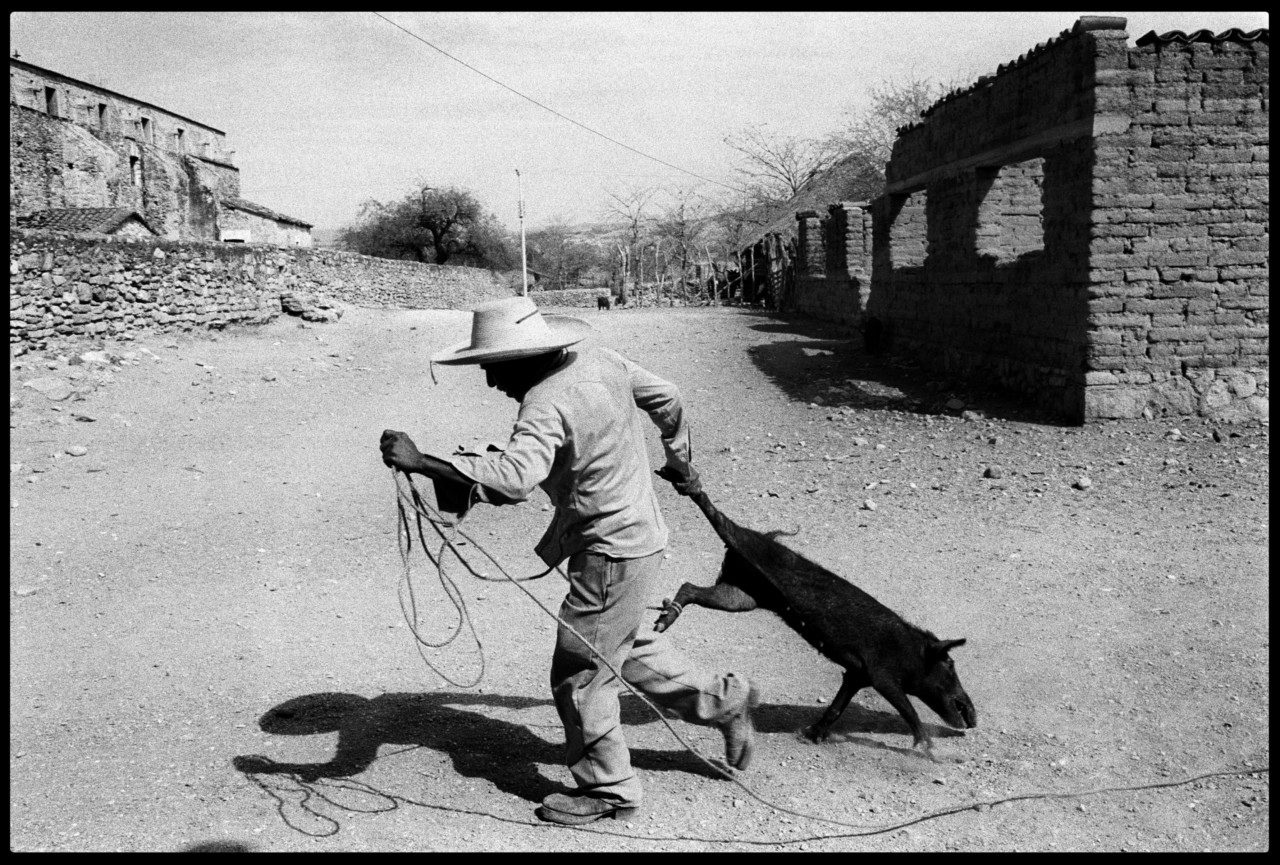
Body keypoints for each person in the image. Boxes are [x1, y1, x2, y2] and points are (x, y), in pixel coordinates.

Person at [379, 296, 757, 826]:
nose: (490, 381)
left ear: (522, 358)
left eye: (492, 366)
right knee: (618, 645)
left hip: (610, 548)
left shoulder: (544, 401)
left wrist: (423, 462)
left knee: (580, 673)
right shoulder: (600, 359)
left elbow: (515, 479)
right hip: (640, 536)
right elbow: (667, 395)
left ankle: (609, 789)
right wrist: (678, 457)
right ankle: (724, 699)